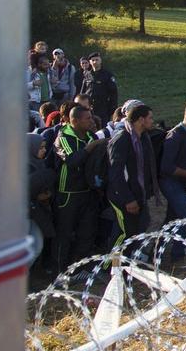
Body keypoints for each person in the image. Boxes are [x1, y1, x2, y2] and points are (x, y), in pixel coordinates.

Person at [52, 104, 97, 270]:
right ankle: (59, 272)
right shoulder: (64, 137)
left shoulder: (90, 136)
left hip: (88, 191)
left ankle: (80, 268)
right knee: (64, 233)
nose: (91, 121)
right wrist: (89, 148)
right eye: (88, 119)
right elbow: (72, 161)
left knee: (86, 232)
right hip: (68, 193)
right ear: (75, 121)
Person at [106, 103, 158, 242]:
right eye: (150, 118)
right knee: (123, 234)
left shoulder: (143, 138)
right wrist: (128, 199)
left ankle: (129, 261)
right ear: (141, 120)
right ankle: (111, 263)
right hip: (123, 197)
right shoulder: (122, 139)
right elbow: (116, 173)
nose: (153, 121)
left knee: (138, 230)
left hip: (138, 193)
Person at [82, 52, 119, 129]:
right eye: (93, 60)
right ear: (90, 62)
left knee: (102, 128)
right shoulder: (87, 75)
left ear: (100, 61)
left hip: (103, 108)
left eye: (97, 60)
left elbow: (113, 93)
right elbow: (83, 91)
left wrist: (112, 109)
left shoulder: (107, 75)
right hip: (89, 108)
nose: (95, 62)